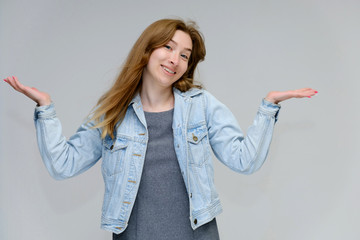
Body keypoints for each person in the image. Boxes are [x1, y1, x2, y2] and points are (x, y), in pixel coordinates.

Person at [4, 18, 317, 240]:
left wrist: (268, 107)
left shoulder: (201, 105)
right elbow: (63, 165)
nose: (175, 59)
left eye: (184, 55)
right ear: (147, 50)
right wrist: (45, 108)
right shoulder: (113, 112)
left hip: (198, 234)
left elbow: (244, 161)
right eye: (168, 47)